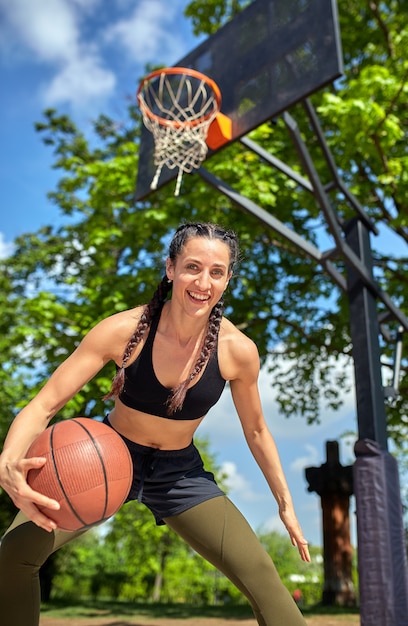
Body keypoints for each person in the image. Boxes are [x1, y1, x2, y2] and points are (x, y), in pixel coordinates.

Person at [0, 222, 310, 626]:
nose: (203, 282)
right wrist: (8, 459)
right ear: (170, 269)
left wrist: (285, 506)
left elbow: (255, 431)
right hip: (106, 459)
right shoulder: (122, 331)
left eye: (217, 272)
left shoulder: (238, 352)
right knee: (12, 556)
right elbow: (44, 405)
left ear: (227, 280)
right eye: (192, 267)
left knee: (263, 578)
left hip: (180, 474)